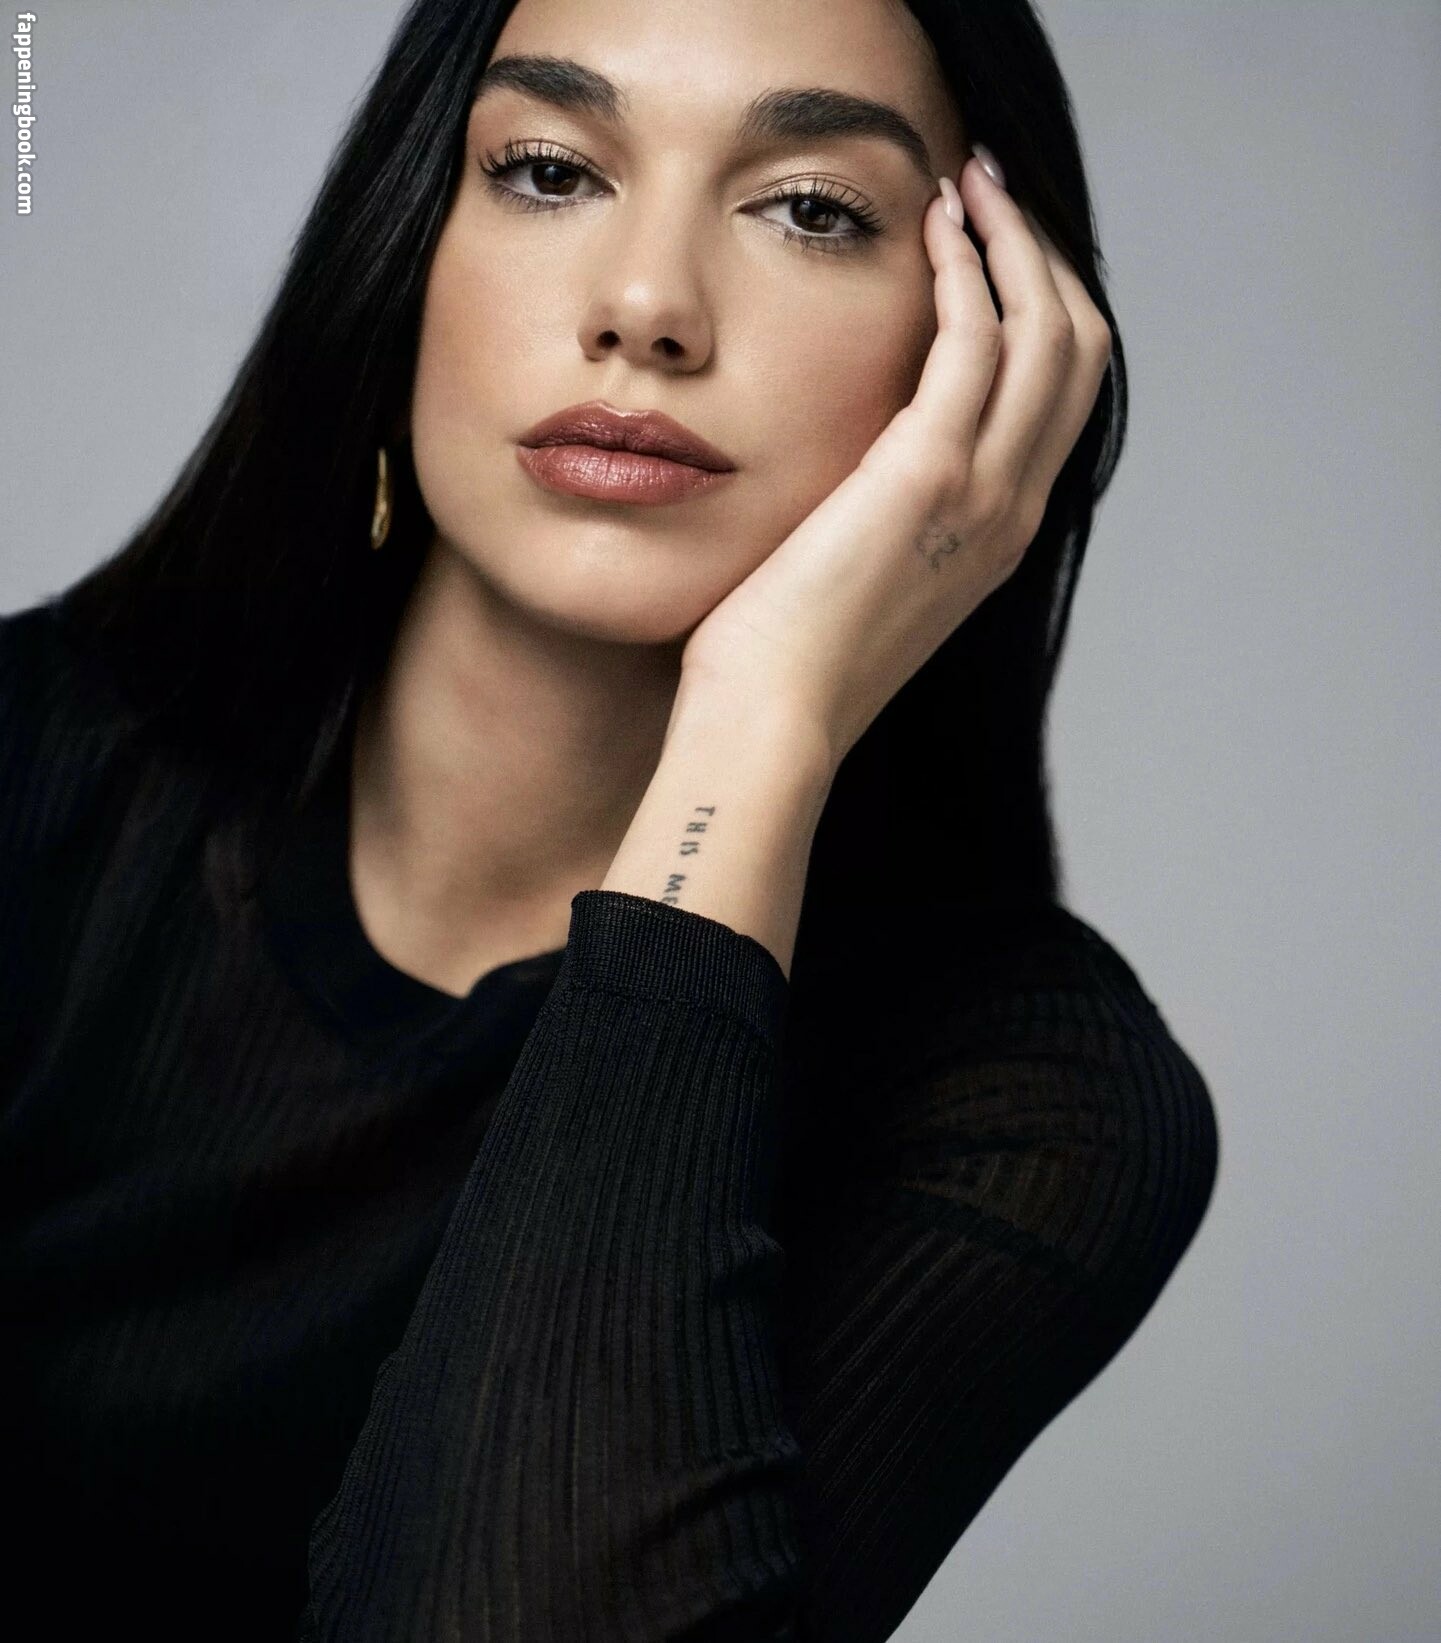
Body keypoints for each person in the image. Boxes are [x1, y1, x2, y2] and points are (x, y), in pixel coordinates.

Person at [0, 0, 1221, 1637]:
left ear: (984, 349)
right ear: (403, 246)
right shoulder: (38, 778)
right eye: (549, 170)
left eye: (810, 210)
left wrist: (759, 732)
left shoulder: (1027, 1107)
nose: (646, 307)